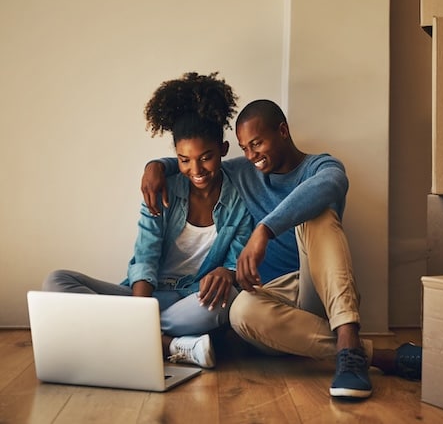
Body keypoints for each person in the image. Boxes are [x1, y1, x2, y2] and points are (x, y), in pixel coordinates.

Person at [141, 99, 422, 399]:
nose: (251, 155)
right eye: (244, 147)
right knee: (240, 311)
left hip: (317, 289)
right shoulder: (244, 171)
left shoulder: (320, 166)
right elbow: (199, 160)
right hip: (271, 304)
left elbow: (332, 183)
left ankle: (348, 335)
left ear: (283, 131)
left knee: (319, 215)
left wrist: (265, 229)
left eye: (257, 143)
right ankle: (367, 355)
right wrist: (155, 166)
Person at [44, 72, 254, 369]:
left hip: (192, 301)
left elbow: (236, 260)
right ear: (176, 157)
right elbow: (146, 256)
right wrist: (139, 313)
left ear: (223, 150)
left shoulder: (239, 197)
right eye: (184, 159)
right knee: (57, 281)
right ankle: (172, 345)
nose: (196, 169)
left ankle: (113, 335)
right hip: (145, 293)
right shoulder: (162, 187)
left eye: (206, 157)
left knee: (224, 302)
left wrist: (228, 272)